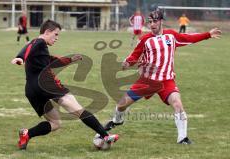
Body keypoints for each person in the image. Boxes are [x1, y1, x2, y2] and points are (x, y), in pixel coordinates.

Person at [104, 10, 221, 144]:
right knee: (121, 105)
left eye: (154, 21)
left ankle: (182, 138)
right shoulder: (145, 39)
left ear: (161, 21)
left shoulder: (171, 36)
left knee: (177, 104)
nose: (152, 24)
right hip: (147, 81)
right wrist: (127, 63)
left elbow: (189, 38)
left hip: (166, 80)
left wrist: (208, 35)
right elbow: (134, 55)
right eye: (150, 22)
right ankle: (117, 120)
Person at [11, 19, 119, 150]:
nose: (57, 38)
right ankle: (105, 135)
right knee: (78, 110)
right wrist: (20, 57)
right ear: (47, 32)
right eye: (56, 34)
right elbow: (29, 46)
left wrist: (70, 59)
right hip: (46, 86)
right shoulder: (39, 42)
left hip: (31, 91)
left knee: (55, 123)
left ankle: (27, 134)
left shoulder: (40, 49)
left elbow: (50, 60)